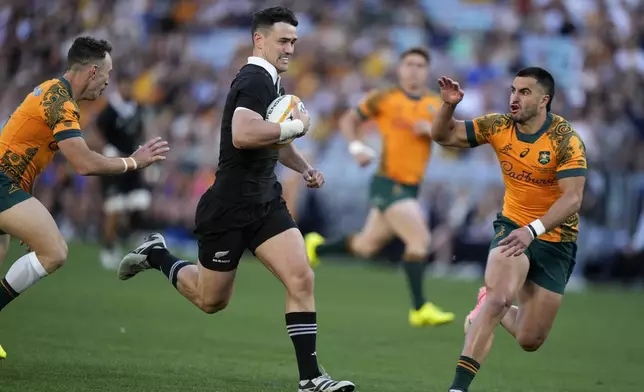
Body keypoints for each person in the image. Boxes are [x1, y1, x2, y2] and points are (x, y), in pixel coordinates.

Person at [117, 7, 355, 392]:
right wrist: (295, 125)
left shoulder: (273, 82)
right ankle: (158, 254)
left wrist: (304, 166)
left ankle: (311, 379)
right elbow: (244, 134)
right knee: (211, 301)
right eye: (283, 40)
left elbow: (271, 139)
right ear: (259, 40)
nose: (290, 48)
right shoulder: (253, 79)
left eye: (293, 41)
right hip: (228, 208)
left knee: (301, 277)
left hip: (265, 203)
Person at [0, 36, 169, 359]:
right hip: (2, 184)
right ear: (92, 71)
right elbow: (83, 163)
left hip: (10, 187)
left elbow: (19, 146)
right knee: (55, 252)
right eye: (107, 73)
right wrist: (134, 161)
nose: (108, 81)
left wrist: (25, 205)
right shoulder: (59, 101)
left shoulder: (54, 94)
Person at [430, 67, 587, 392]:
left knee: (530, 339)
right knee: (500, 300)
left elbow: (573, 199)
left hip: (556, 239)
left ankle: (485, 302)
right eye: (513, 90)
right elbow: (443, 136)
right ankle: (458, 388)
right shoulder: (498, 125)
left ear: (544, 100)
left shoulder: (565, 139)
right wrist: (449, 106)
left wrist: (534, 230)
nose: (514, 97)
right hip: (512, 227)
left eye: (524, 92)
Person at [304, 47, 455, 328]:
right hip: (388, 183)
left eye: (420, 65)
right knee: (419, 240)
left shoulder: (436, 105)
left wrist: (435, 132)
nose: (413, 69)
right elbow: (349, 120)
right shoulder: (384, 98)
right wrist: (356, 146)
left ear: (427, 71)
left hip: (411, 187)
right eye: (408, 64)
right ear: (399, 70)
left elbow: (451, 139)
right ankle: (420, 308)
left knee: (366, 246)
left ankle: (317, 247)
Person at [96, 73, 149, 269]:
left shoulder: (137, 108)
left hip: (133, 162)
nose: (128, 89)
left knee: (139, 202)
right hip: (113, 164)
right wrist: (106, 147)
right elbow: (94, 131)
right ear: (120, 86)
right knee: (114, 207)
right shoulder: (109, 110)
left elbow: (141, 131)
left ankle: (130, 240)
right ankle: (108, 247)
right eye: (125, 85)